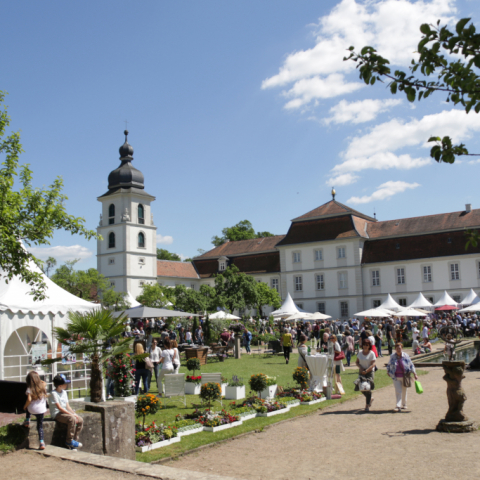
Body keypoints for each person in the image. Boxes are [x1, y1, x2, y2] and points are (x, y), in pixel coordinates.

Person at [49, 374, 83, 450]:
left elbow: (67, 406)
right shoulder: (53, 393)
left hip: (65, 412)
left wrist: (75, 414)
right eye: (65, 384)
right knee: (72, 419)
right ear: (60, 386)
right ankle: (69, 440)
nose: (66, 385)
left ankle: (74, 441)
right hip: (57, 414)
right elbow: (59, 407)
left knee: (80, 419)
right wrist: (71, 415)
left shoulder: (64, 392)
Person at [387, 343, 418, 412]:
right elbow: (389, 364)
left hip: (405, 376)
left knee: (404, 390)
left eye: (400, 348)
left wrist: (414, 373)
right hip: (395, 377)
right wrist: (388, 371)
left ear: (402, 348)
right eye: (397, 348)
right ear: (395, 349)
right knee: (398, 391)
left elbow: (411, 365)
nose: (398, 349)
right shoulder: (392, 356)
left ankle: (404, 404)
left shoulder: (406, 356)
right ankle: (398, 406)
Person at [23, 371, 48, 450]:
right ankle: (41, 443)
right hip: (41, 410)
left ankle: (27, 420)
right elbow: (44, 383)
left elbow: (29, 399)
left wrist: (25, 406)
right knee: (40, 426)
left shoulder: (29, 388)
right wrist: (40, 381)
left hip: (32, 410)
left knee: (27, 407)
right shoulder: (43, 386)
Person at [355, 339, 376, 412]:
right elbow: (357, 362)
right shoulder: (360, 353)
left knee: (368, 388)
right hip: (361, 372)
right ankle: (370, 398)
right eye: (364, 345)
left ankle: (367, 405)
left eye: (367, 345)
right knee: (361, 387)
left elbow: (373, 364)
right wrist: (361, 368)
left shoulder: (371, 353)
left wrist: (367, 370)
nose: (365, 346)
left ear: (369, 346)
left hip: (369, 372)